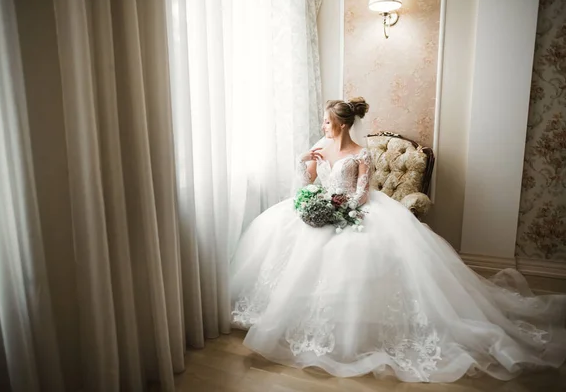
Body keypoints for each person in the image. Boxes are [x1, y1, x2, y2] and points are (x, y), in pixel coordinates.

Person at [229, 97, 566, 382]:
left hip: (353, 210)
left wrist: (337, 209)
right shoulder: (319, 147)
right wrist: (306, 169)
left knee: (351, 254)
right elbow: (308, 185)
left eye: (327, 122)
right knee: (286, 239)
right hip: (322, 205)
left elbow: (361, 195)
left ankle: (356, 327)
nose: (323, 127)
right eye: (323, 121)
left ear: (343, 125)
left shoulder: (362, 154)